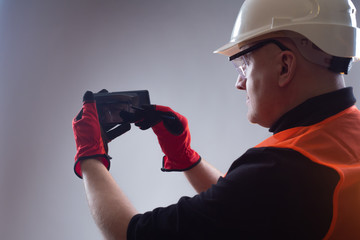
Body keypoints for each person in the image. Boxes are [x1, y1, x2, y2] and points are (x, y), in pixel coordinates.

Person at [72, 0, 360, 239]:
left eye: (244, 63)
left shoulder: (280, 171)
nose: (239, 82)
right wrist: (185, 158)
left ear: (285, 65)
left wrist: (90, 157)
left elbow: (130, 234)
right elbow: (251, 209)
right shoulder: (346, 131)